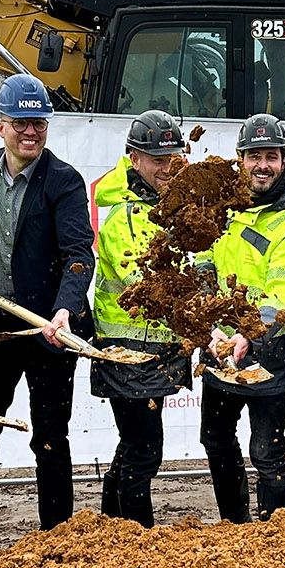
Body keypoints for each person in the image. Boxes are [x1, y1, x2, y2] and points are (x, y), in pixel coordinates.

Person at [0, 74, 96, 549]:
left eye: (39, 124)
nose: (30, 132)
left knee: (50, 436)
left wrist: (65, 310)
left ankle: (57, 541)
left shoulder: (63, 180)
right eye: (20, 123)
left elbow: (78, 252)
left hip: (50, 328)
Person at [200, 114, 285, 521]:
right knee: (215, 439)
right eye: (254, 156)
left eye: (271, 156)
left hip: (271, 349)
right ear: (240, 159)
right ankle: (235, 525)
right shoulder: (222, 206)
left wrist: (250, 334)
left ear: (284, 160)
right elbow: (201, 263)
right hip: (220, 346)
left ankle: (274, 535)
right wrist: (209, 326)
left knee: (266, 450)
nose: (262, 165)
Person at [89, 110, 192, 527]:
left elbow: (199, 262)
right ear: (134, 159)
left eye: (173, 157)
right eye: (157, 159)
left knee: (133, 443)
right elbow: (144, 281)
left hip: (160, 346)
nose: (168, 167)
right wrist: (198, 312)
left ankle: (111, 523)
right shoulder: (120, 211)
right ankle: (137, 533)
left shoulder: (178, 204)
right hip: (125, 350)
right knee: (145, 448)